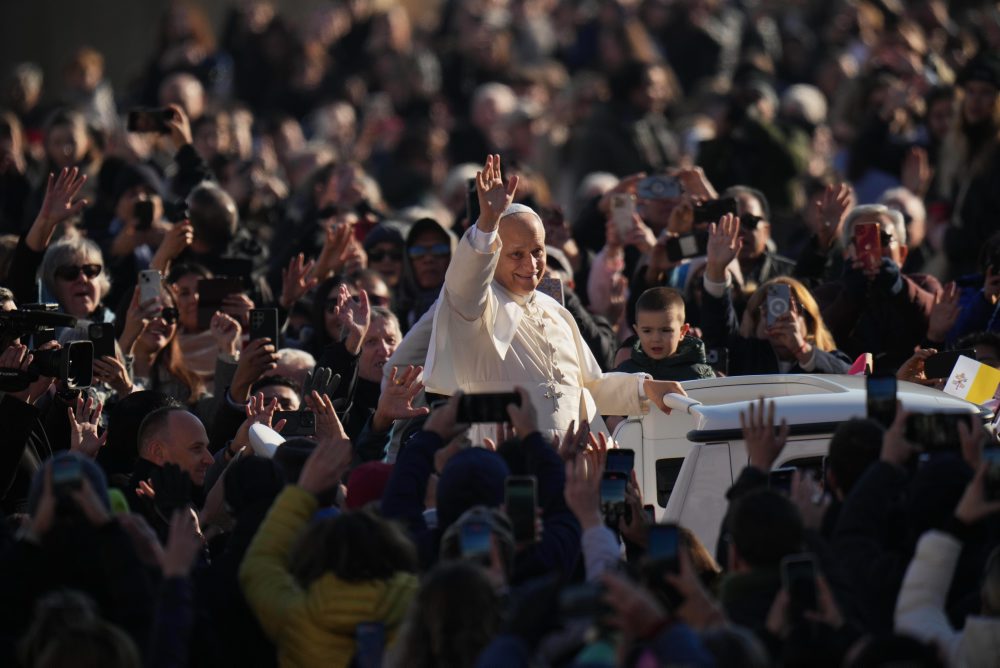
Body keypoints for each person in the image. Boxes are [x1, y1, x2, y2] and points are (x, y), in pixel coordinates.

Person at [424, 155, 684, 437]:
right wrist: (487, 224)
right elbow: (464, 285)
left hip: (570, 465)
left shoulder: (556, 311)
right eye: (516, 254)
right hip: (509, 463)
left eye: (537, 251)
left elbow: (588, 387)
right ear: (494, 255)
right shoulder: (479, 306)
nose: (531, 264)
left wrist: (644, 388)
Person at [702, 215, 851, 375]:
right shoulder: (740, 356)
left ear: (809, 321)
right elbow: (719, 324)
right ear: (753, 322)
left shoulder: (830, 360)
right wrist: (716, 270)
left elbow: (852, 377)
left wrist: (801, 349)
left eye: (793, 309)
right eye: (767, 309)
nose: (781, 317)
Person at [614, 287, 715, 381]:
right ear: (637, 332)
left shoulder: (700, 376)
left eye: (666, 330)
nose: (656, 338)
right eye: (647, 331)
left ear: (682, 331)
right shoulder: (625, 375)